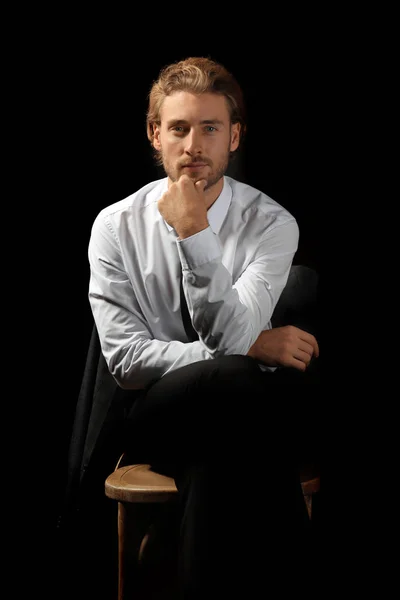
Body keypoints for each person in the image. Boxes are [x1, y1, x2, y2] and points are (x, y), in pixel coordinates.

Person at [87, 56, 321, 598]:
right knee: (241, 383)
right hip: (156, 412)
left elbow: (230, 341)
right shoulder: (114, 226)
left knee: (220, 451)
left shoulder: (272, 223)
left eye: (210, 128)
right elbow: (126, 364)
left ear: (234, 137)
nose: (194, 144)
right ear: (155, 135)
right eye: (179, 128)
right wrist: (256, 347)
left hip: (233, 416)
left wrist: (194, 233)